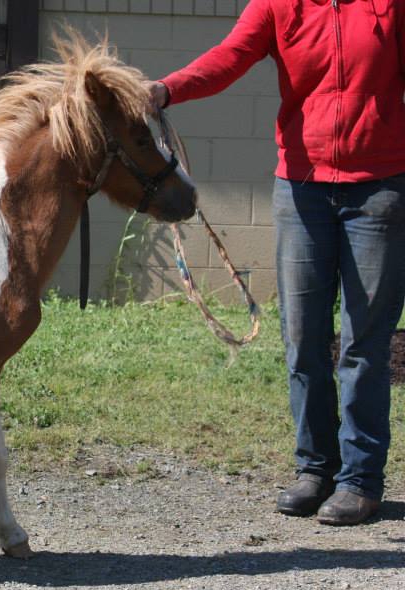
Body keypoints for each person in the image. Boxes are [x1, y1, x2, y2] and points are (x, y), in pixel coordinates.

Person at [148, 0, 405, 525]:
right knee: (303, 336)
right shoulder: (279, 5)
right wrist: (166, 90)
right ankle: (316, 470)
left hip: (380, 190)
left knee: (364, 343)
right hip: (302, 191)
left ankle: (360, 480)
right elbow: (229, 57)